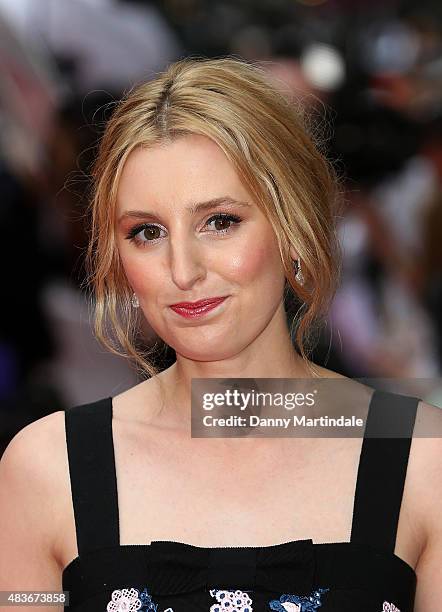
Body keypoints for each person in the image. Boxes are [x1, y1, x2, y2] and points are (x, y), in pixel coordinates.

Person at [0, 57, 441, 612]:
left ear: (293, 224)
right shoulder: (47, 468)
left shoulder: (424, 460)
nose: (183, 270)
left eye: (220, 221)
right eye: (147, 232)